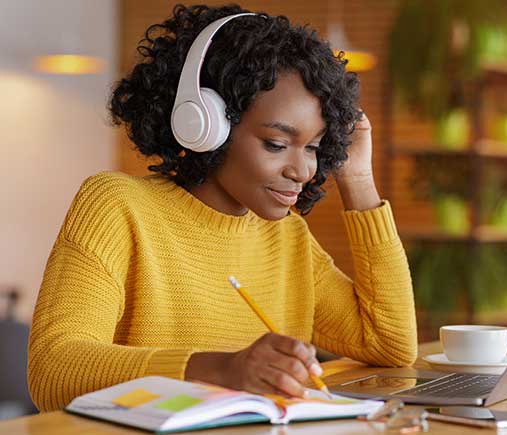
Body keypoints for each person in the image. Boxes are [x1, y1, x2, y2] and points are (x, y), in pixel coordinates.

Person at [27, 4, 417, 412]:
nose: (302, 170)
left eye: (315, 148)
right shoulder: (117, 207)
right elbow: (53, 370)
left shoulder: (287, 236)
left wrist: (357, 178)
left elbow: (390, 344)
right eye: (277, 144)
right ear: (206, 124)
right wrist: (220, 370)